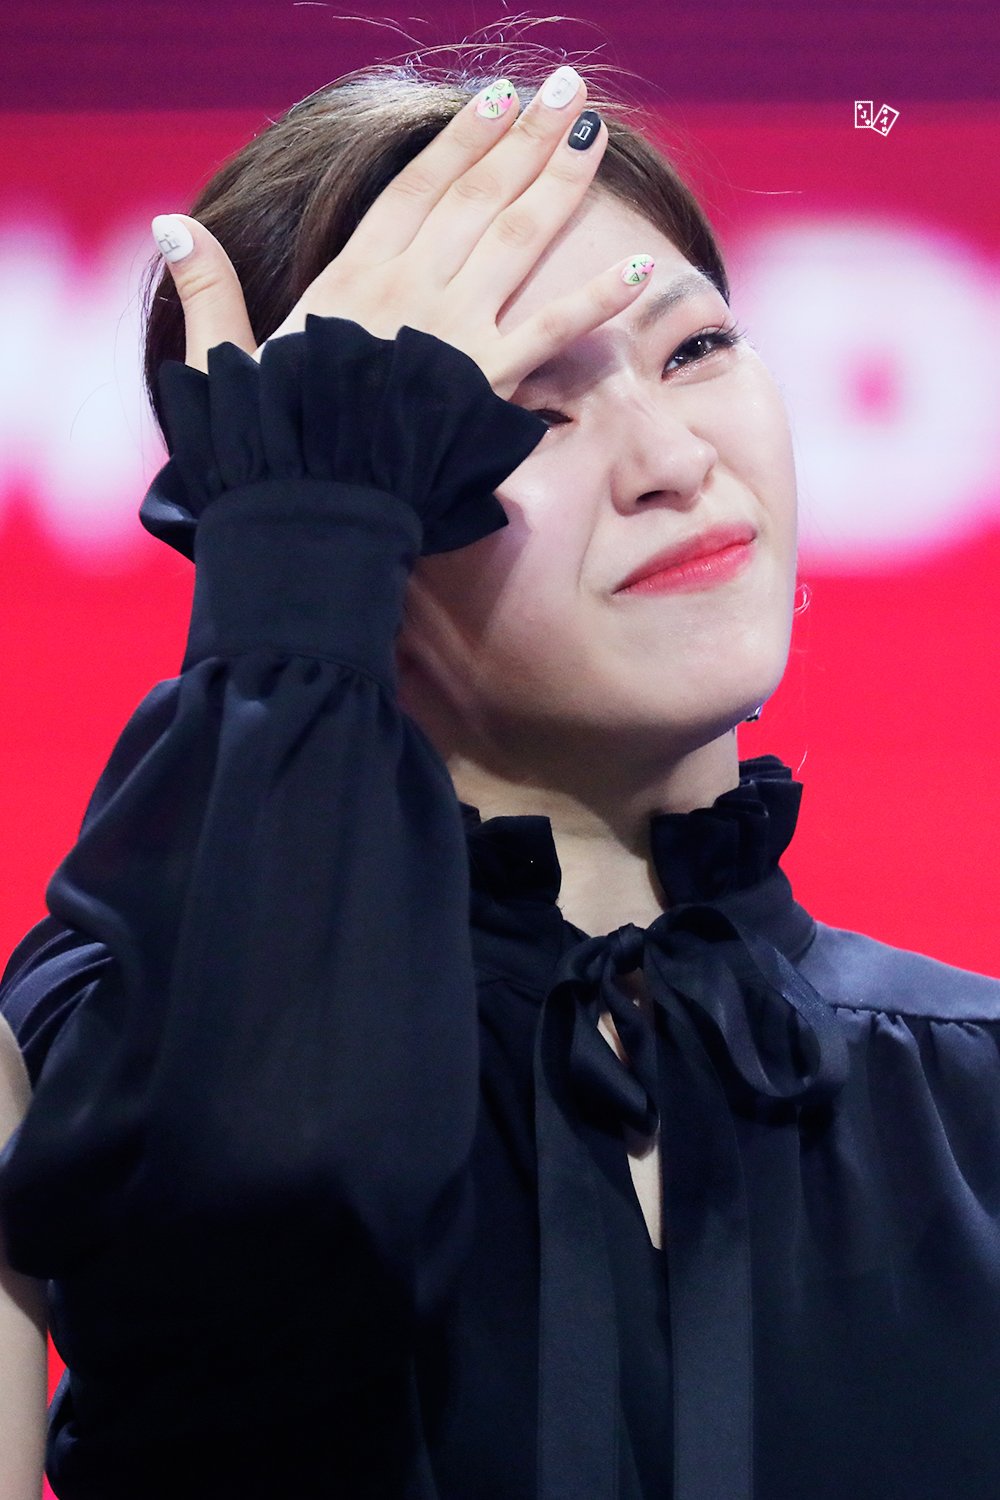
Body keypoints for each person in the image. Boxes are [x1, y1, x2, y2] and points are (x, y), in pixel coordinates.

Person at [1, 52, 999, 1500]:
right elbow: (266, 1252)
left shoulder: (975, 1091)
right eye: (524, 408)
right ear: (340, 510)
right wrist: (300, 547)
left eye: (696, 348)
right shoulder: (87, 1063)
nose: (671, 461)